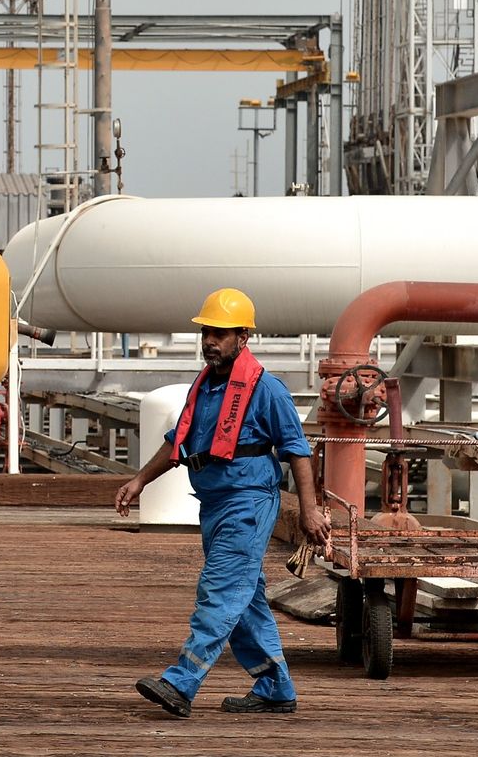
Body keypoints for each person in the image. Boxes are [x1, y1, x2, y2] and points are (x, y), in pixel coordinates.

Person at [113, 287, 330, 717]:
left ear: (243, 337)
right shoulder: (208, 387)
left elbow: (298, 451)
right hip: (214, 504)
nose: (210, 340)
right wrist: (140, 480)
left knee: (221, 590)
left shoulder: (267, 390)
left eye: (220, 333)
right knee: (244, 599)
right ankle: (274, 686)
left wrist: (309, 510)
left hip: (248, 504)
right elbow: (179, 443)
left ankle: (182, 681)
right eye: (207, 332)